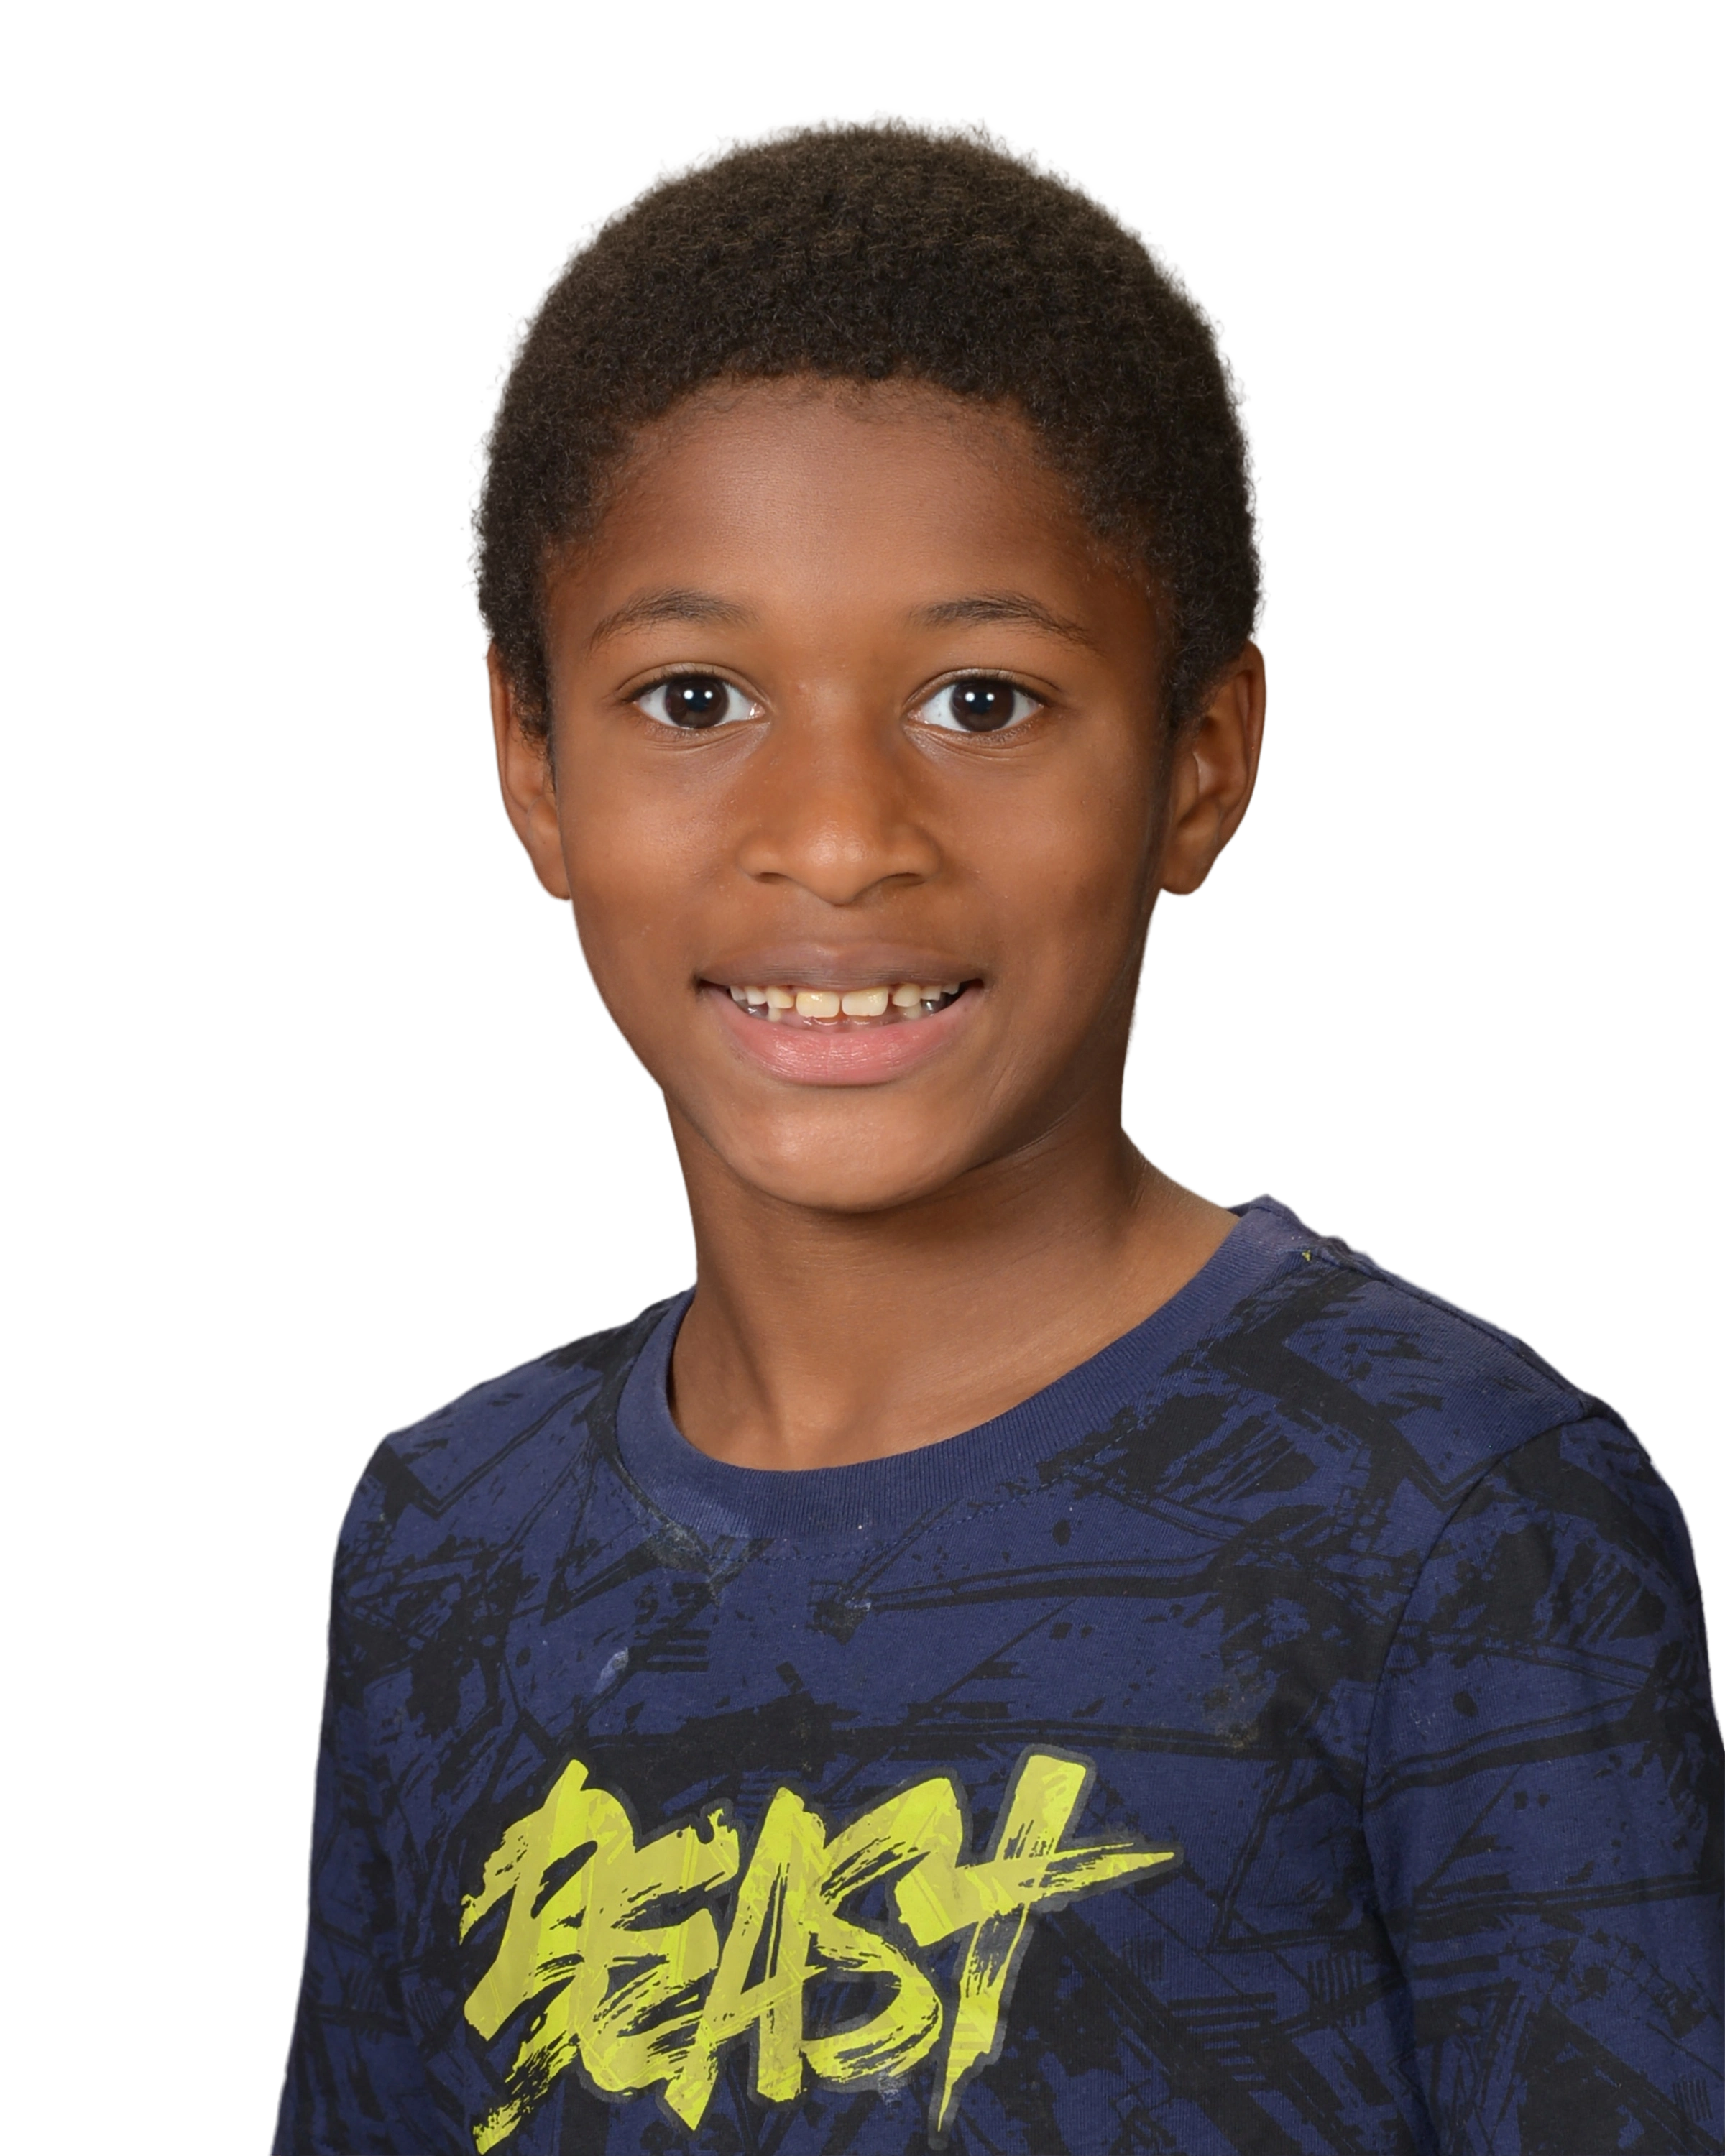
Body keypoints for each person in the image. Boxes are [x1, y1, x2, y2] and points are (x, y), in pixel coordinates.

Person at [267, 108, 1723, 2156]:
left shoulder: (1452, 1520)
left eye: (982, 702)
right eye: (694, 699)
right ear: (530, 759)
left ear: (1201, 759)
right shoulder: (450, 1542)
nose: (839, 838)